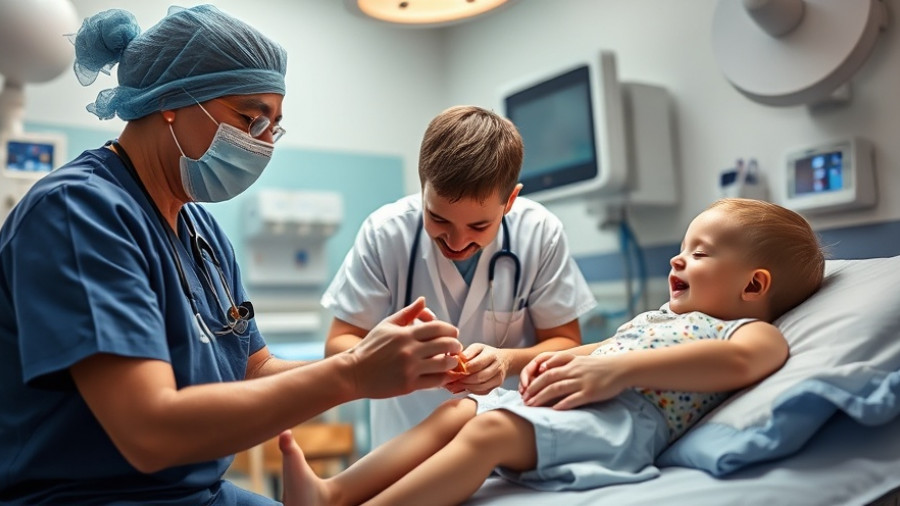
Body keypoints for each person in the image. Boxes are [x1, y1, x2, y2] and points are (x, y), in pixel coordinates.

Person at [0, 6, 463, 505]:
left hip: (197, 492)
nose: (263, 144)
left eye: (273, 127)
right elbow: (149, 430)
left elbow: (254, 370)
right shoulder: (78, 213)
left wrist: (375, 363)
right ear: (171, 100)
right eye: (250, 118)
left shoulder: (200, 231)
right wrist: (349, 376)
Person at [279, 198, 826, 506]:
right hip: (578, 407)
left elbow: (740, 364)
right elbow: (600, 347)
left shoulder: (749, 333)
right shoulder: (660, 320)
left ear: (754, 285)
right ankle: (333, 495)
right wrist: (565, 360)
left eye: (699, 254)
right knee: (460, 411)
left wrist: (618, 370)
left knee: (489, 433)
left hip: (625, 424)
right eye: (681, 250)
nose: (677, 261)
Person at [321, 105, 598, 447]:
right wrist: (398, 358)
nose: (456, 242)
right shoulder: (386, 233)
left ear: (510, 200)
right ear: (423, 189)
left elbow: (567, 342)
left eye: (479, 226)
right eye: (438, 219)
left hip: (506, 439)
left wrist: (507, 361)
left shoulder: (540, 233)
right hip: (401, 440)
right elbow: (339, 345)